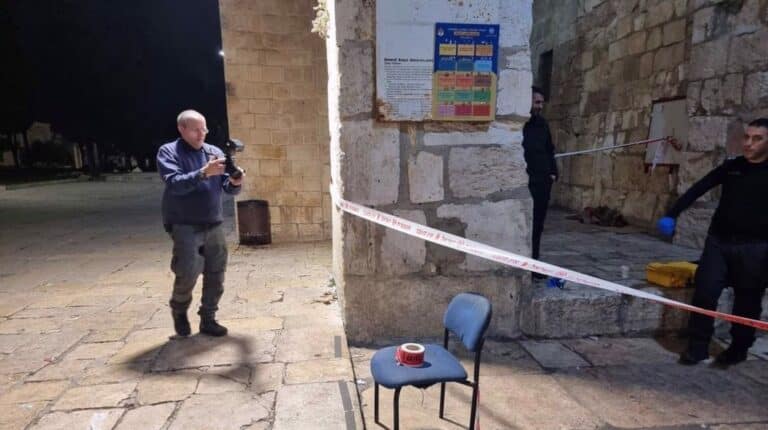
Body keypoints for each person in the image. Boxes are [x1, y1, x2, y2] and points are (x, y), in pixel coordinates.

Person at [657, 118, 768, 366]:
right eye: (747, 137)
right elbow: (699, 188)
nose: (748, 143)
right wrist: (672, 214)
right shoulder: (732, 167)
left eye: (757, 138)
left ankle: (738, 349)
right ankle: (697, 347)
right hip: (718, 243)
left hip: (756, 249)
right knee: (705, 293)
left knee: (747, 300)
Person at [156, 110, 244, 337]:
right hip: (184, 223)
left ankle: (208, 318)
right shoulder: (168, 152)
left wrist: (235, 182)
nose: (201, 134)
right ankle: (179, 309)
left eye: (203, 129)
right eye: (195, 130)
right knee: (188, 270)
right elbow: (175, 184)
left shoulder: (213, 152)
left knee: (216, 272)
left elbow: (227, 187)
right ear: (182, 129)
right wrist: (203, 173)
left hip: (213, 223)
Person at [523, 86, 558, 278]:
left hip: (543, 181)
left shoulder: (543, 125)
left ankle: (534, 263)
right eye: (537, 102)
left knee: (538, 224)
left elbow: (549, 150)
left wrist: (553, 172)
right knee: (525, 223)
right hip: (527, 179)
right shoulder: (522, 126)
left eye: (541, 103)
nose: (540, 106)